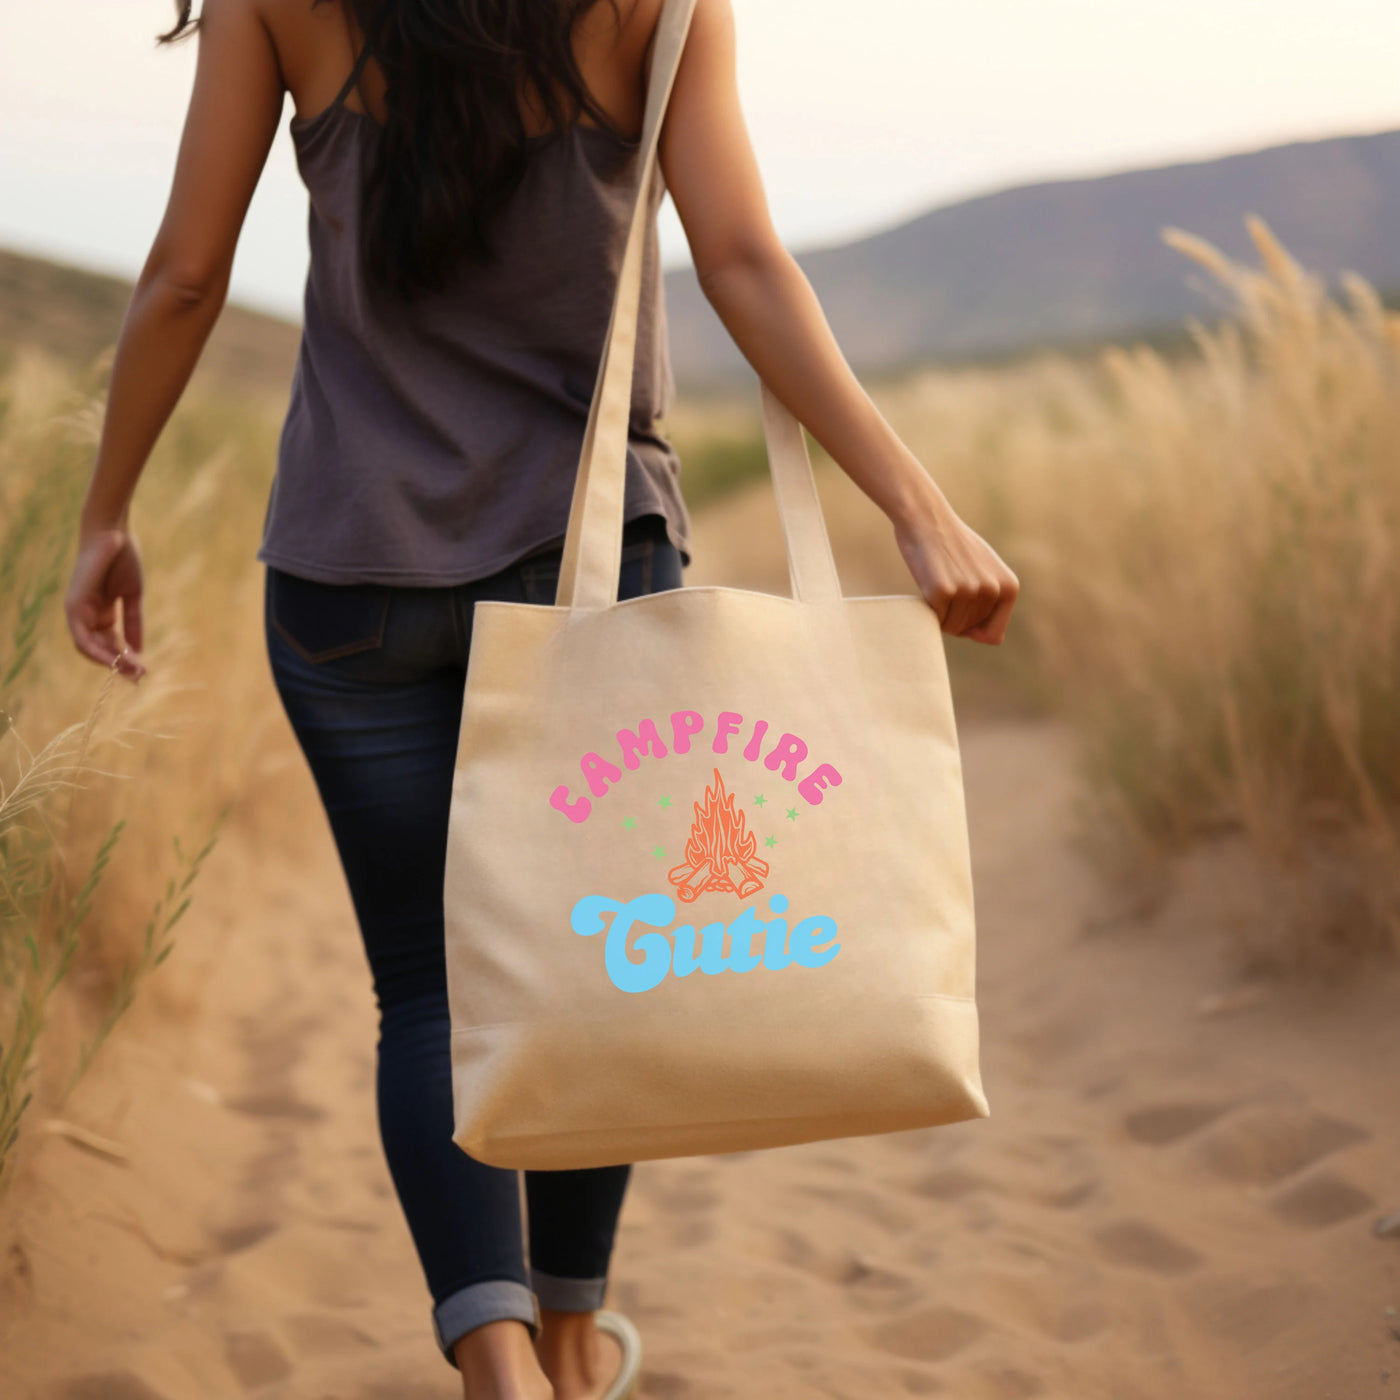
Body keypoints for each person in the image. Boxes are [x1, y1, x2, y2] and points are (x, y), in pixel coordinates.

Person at [63, 0, 1020, 1394]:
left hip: (352, 575)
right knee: (599, 964)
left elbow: (186, 276)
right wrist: (917, 508)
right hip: (591, 575)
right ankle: (571, 1348)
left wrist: (107, 509)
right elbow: (744, 259)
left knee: (427, 991)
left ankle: (494, 1362)